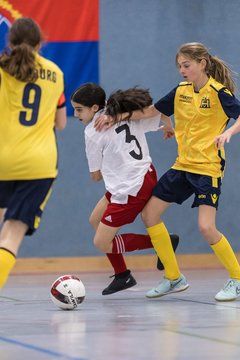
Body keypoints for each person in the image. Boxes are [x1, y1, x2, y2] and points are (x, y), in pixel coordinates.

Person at [95, 42, 240, 302]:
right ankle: (174, 278)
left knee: (206, 227)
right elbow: (152, 111)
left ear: (202, 64)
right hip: (182, 165)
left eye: (186, 65)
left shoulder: (219, 92)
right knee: (149, 214)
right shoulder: (181, 91)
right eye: (179, 66)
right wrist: (115, 117)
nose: (182, 70)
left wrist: (229, 131)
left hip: (208, 169)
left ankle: (237, 279)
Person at [71, 83, 179, 295]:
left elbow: (95, 175)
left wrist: (103, 165)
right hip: (142, 176)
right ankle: (122, 275)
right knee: (95, 220)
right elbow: (161, 113)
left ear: (94, 108)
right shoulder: (124, 114)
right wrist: (168, 127)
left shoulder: (92, 131)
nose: (76, 115)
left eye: (79, 110)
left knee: (102, 242)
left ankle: (160, 243)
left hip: (131, 187)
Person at [0, 17, 67, 289]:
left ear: (9, 42)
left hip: (3, 160)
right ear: (41, 43)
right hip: (38, 164)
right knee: (11, 236)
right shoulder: (55, 73)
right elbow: (61, 124)